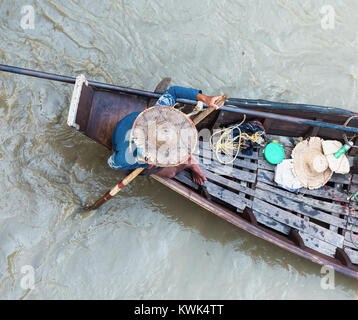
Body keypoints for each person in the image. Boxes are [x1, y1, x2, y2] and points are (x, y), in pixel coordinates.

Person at [108, 86, 223, 185]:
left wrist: (206, 99)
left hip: (131, 122)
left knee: (178, 155)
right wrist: (145, 165)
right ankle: (189, 163)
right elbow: (112, 163)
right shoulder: (126, 158)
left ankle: (189, 161)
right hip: (123, 136)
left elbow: (174, 91)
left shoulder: (158, 114)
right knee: (171, 172)